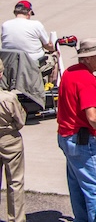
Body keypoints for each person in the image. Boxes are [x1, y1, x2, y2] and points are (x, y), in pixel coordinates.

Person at [58, 37, 96, 222]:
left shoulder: (69, 72)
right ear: (87, 58)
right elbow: (92, 117)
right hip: (82, 141)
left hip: (66, 137)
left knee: (76, 186)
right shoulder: (86, 79)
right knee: (95, 190)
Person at [1, 0, 57, 83]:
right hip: (32, 64)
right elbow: (48, 46)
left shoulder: (5, 25)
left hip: (11, 64)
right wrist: (52, 49)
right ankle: (50, 87)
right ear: (29, 12)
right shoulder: (36, 25)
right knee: (54, 58)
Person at [0, 58, 25, 222]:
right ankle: (15, 219)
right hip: (9, 139)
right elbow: (20, 120)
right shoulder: (8, 98)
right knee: (15, 182)